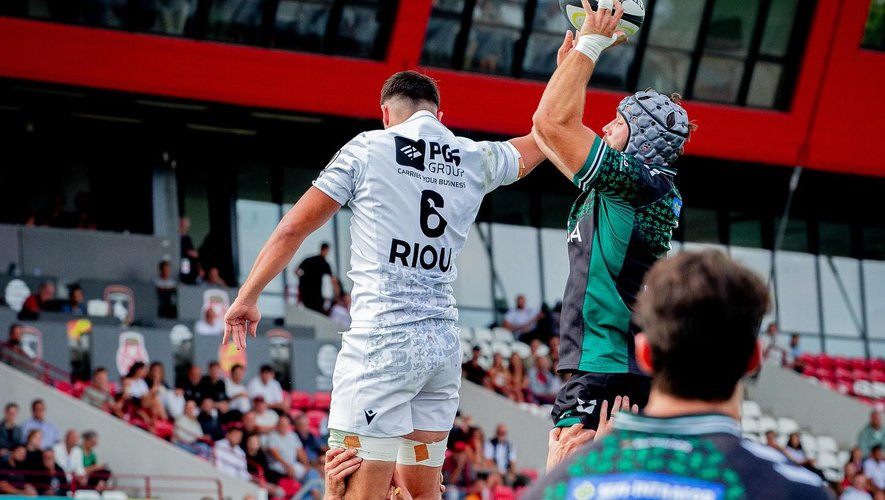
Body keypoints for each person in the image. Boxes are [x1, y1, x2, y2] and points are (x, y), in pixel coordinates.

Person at [224, 69, 544, 499]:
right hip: (441, 348)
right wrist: (579, 58)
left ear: (386, 114)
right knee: (423, 494)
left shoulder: (369, 148)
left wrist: (248, 296)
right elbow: (544, 137)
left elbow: (292, 229)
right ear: (439, 116)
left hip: (383, 346)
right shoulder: (473, 155)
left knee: (348, 491)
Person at [530, 249, 830, 498]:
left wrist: (567, 473)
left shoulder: (565, 483)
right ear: (754, 358)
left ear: (644, 354)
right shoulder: (796, 490)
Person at [531, 0, 695, 433]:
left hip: (608, 367)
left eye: (617, 122)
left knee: (568, 469)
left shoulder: (637, 182)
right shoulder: (635, 185)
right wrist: (570, 72)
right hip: (613, 365)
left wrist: (591, 45)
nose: (605, 127)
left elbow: (552, 124)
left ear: (642, 138)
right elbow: (548, 134)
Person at [295, 243, 336, 314]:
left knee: (306, 311)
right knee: (316, 313)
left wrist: (302, 279)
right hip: (316, 294)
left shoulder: (308, 259)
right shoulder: (325, 264)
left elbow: (296, 271)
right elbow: (333, 279)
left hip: (305, 290)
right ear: (326, 250)